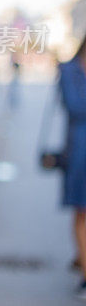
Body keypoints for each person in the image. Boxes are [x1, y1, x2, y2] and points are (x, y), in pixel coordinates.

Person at [60, 33, 86, 300]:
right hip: (80, 151)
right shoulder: (69, 70)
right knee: (82, 211)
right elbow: (75, 106)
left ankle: (82, 256)